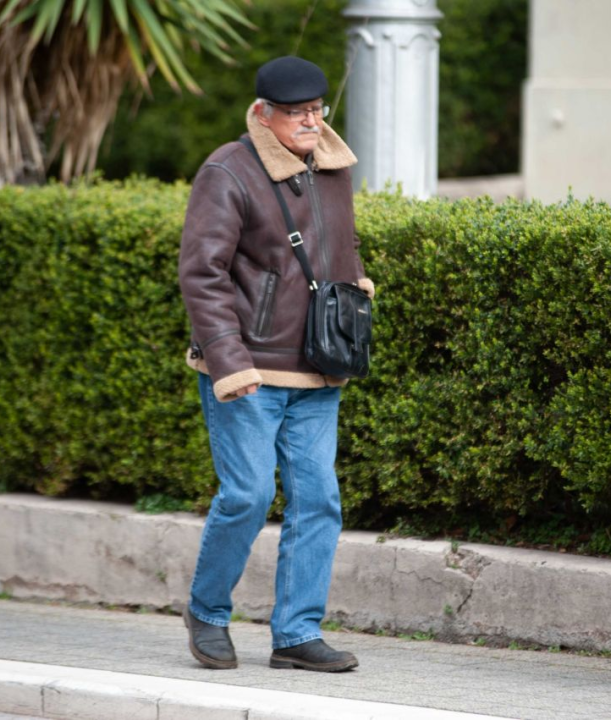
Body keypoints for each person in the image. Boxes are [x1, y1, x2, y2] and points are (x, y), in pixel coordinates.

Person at [177, 56, 373, 672]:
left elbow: (341, 245)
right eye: (296, 113)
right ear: (264, 114)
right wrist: (228, 360)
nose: (311, 122)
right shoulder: (228, 170)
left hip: (318, 364)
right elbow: (202, 273)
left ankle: (296, 634)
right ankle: (207, 613)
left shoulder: (333, 167)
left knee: (319, 499)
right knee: (248, 494)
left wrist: (355, 288)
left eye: (317, 110)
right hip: (250, 370)